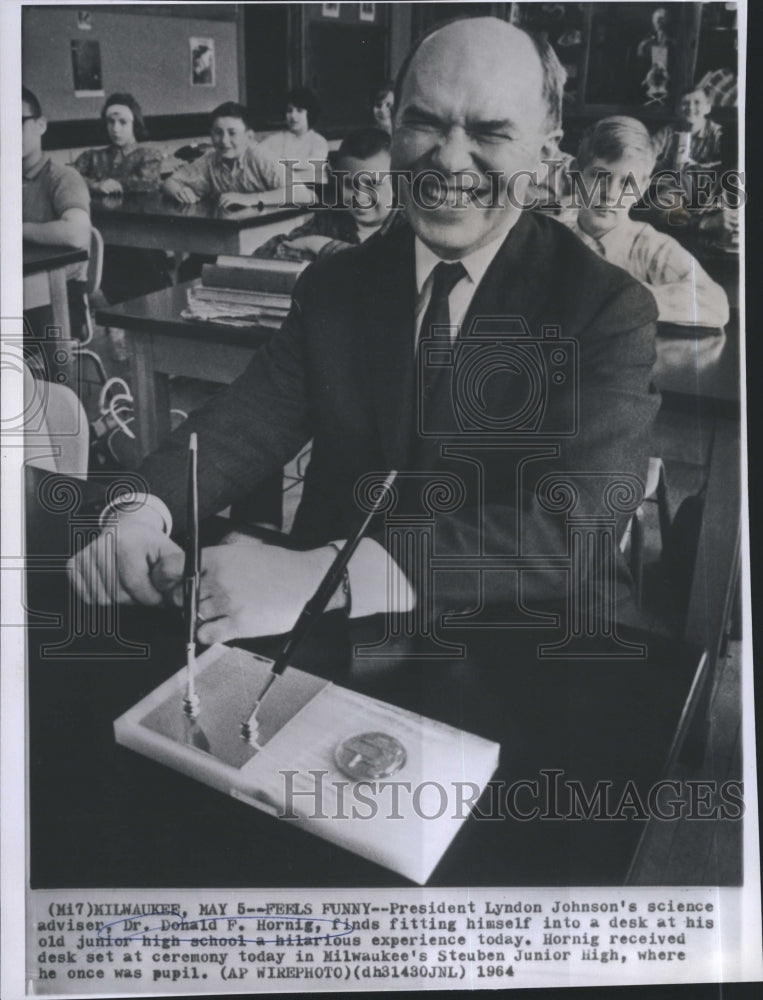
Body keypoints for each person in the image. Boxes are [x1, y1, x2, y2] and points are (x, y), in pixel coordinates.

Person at [70, 18, 660, 649]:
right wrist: (140, 512)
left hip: (527, 646)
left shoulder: (607, 307)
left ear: (547, 154)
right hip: (335, 639)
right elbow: (244, 421)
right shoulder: (335, 282)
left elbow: (576, 530)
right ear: (394, 124)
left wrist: (322, 577)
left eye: (490, 131)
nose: (450, 159)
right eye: (424, 123)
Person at [565, 116, 729, 328]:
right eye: (599, 176)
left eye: (627, 183)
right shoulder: (549, 236)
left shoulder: (651, 246)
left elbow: (715, 305)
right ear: (576, 175)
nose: (611, 194)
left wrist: (621, 298)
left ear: (642, 188)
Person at [72, 93, 170, 302]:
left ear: (135, 123)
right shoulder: (93, 156)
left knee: (148, 288)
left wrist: (112, 184)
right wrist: (97, 185)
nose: (116, 128)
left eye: (123, 122)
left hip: (142, 235)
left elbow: (146, 182)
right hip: (106, 237)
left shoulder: (148, 154)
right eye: (111, 122)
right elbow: (70, 177)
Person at [254, 127, 401, 261]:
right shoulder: (328, 220)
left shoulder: (409, 227)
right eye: (349, 184)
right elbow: (263, 256)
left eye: (373, 184)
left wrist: (324, 247)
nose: (360, 198)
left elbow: (383, 267)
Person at [22, 86, 90, 336]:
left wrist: (16, 230)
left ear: (40, 125)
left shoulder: (62, 177)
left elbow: (77, 233)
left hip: (56, 299)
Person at [162, 102, 308, 209]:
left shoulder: (262, 157)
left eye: (232, 133)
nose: (224, 141)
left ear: (249, 137)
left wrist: (250, 199)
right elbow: (170, 182)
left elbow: (304, 195)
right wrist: (180, 192)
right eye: (218, 133)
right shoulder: (210, 159)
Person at [258, 87, 329, 183]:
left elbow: (313, 163)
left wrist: (281, 162)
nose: (293, 116)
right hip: (282, 190)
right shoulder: (275, 139)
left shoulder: (318, 141)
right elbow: (258, 156)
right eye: (289, 111)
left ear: (310, 113)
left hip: (313, 189)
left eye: (299, 110)